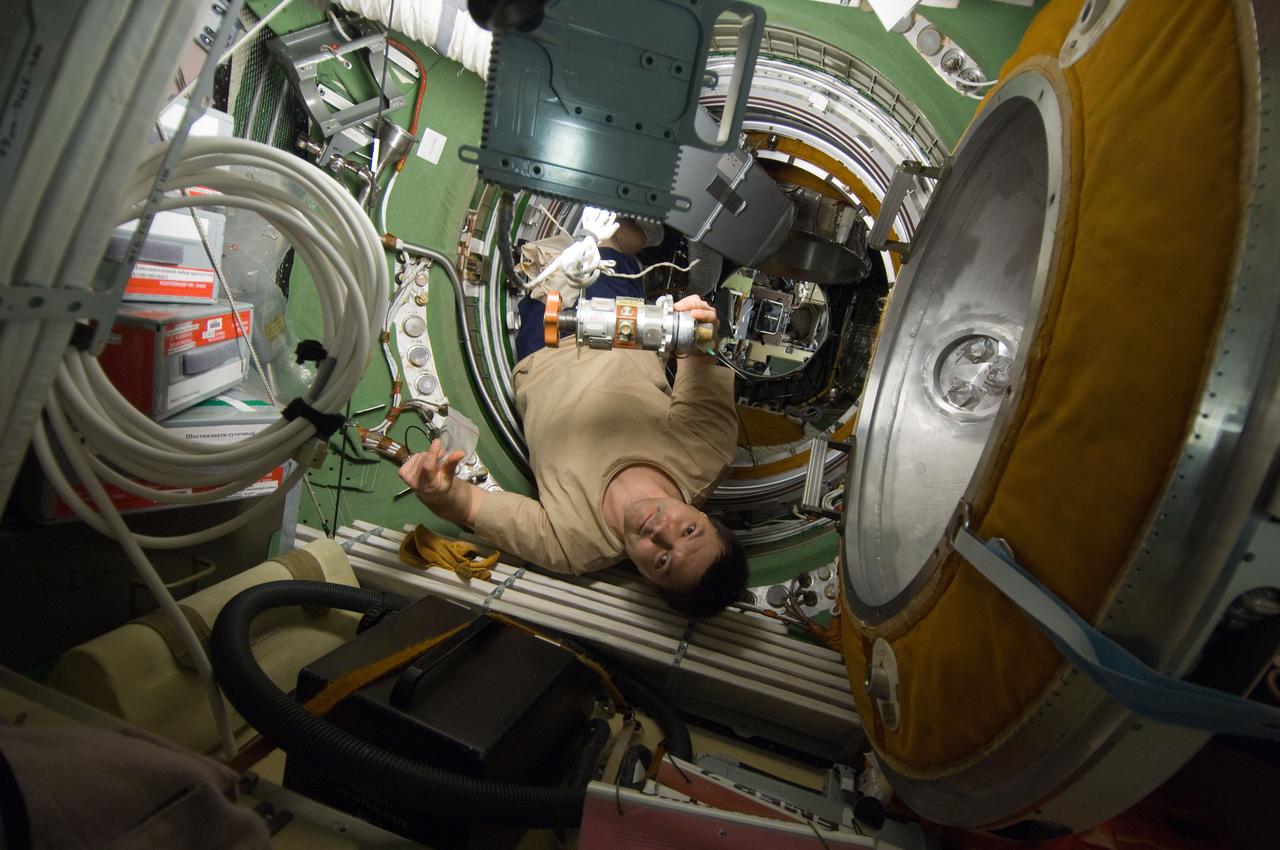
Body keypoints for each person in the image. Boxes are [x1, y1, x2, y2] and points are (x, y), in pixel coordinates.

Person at [399, 218, 747, 617]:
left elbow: (469, 508)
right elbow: (696, 347)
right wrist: (697, 325)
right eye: (689, 531)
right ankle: (642, 235)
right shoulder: (709, 451)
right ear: (705, 517)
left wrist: (439, 492)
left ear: (648, 579)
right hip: (623, 324)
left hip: (544, 350)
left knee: (554, 257)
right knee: (618, 247)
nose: (659, 530)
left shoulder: (572, 545)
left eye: (662, 560)